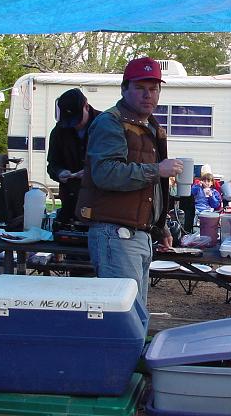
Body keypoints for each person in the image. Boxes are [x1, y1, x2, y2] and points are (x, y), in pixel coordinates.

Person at [75, 56, 184, 305]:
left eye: (154, 89)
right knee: (123, 315)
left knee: (135, 312)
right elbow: (106, 173)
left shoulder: (149, 125)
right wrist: (157, 170)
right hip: (115, 234)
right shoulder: (110, 123)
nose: (148, 95)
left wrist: (159, 224)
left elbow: (146, 190)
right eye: (140, 88)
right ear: (124, 89)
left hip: (136, 234)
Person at [46, 88, 101, 223]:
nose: (74, 125)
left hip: (100, 202)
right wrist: (59, 173)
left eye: (77, 119)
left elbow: (117, 164)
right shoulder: (59, 131)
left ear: (86, 107)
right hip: (70, 200)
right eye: (69, 121)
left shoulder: (105, 125)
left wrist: (91, 172)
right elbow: (52, 164)